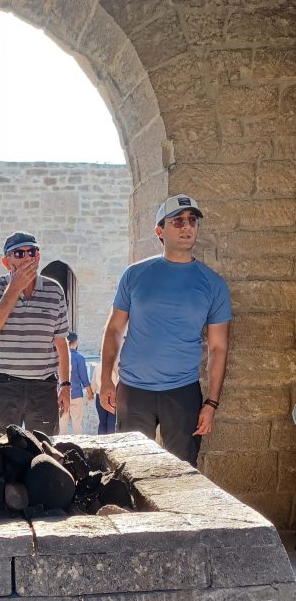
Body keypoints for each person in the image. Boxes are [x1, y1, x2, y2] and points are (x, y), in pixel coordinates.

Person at [100, 194, 232, 465]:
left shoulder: (213, 284)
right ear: (160, 231)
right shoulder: (135, 275)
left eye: (192, 221)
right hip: (133, 391)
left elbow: (219, 348)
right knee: (129, 470)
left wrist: (212, 403)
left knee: (183, 475)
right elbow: (114, 329)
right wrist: (105, 379)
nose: (187, 227)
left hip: (182, 393)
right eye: (178, 221)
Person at [0, 231, 70, 435]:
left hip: (43, 387)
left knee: (44, 450)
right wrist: (13, 289)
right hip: (4, 384)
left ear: (38, 256)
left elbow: (61, 343)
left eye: (32, 251)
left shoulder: (54, 290)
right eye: (19, 253)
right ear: (6, 262)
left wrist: (65, 385)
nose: (27, 257)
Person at [61, 331, 93, 435]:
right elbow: (84, 378)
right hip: (76, 394)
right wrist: (90, 392)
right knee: (77, 423)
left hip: (62, 394)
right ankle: (77, 446)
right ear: (76, 342)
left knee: (62, 423)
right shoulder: (80, 358)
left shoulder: (60, 357)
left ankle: (60, 446)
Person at [90, 358, 118, 434]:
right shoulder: (115, 365)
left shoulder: (98, 366)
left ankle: (101, 441)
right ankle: (110, 443)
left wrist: (92, 391)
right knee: (111, 422)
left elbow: (93, 382)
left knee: (102, 421)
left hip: (100, 395)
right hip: (113, 396)